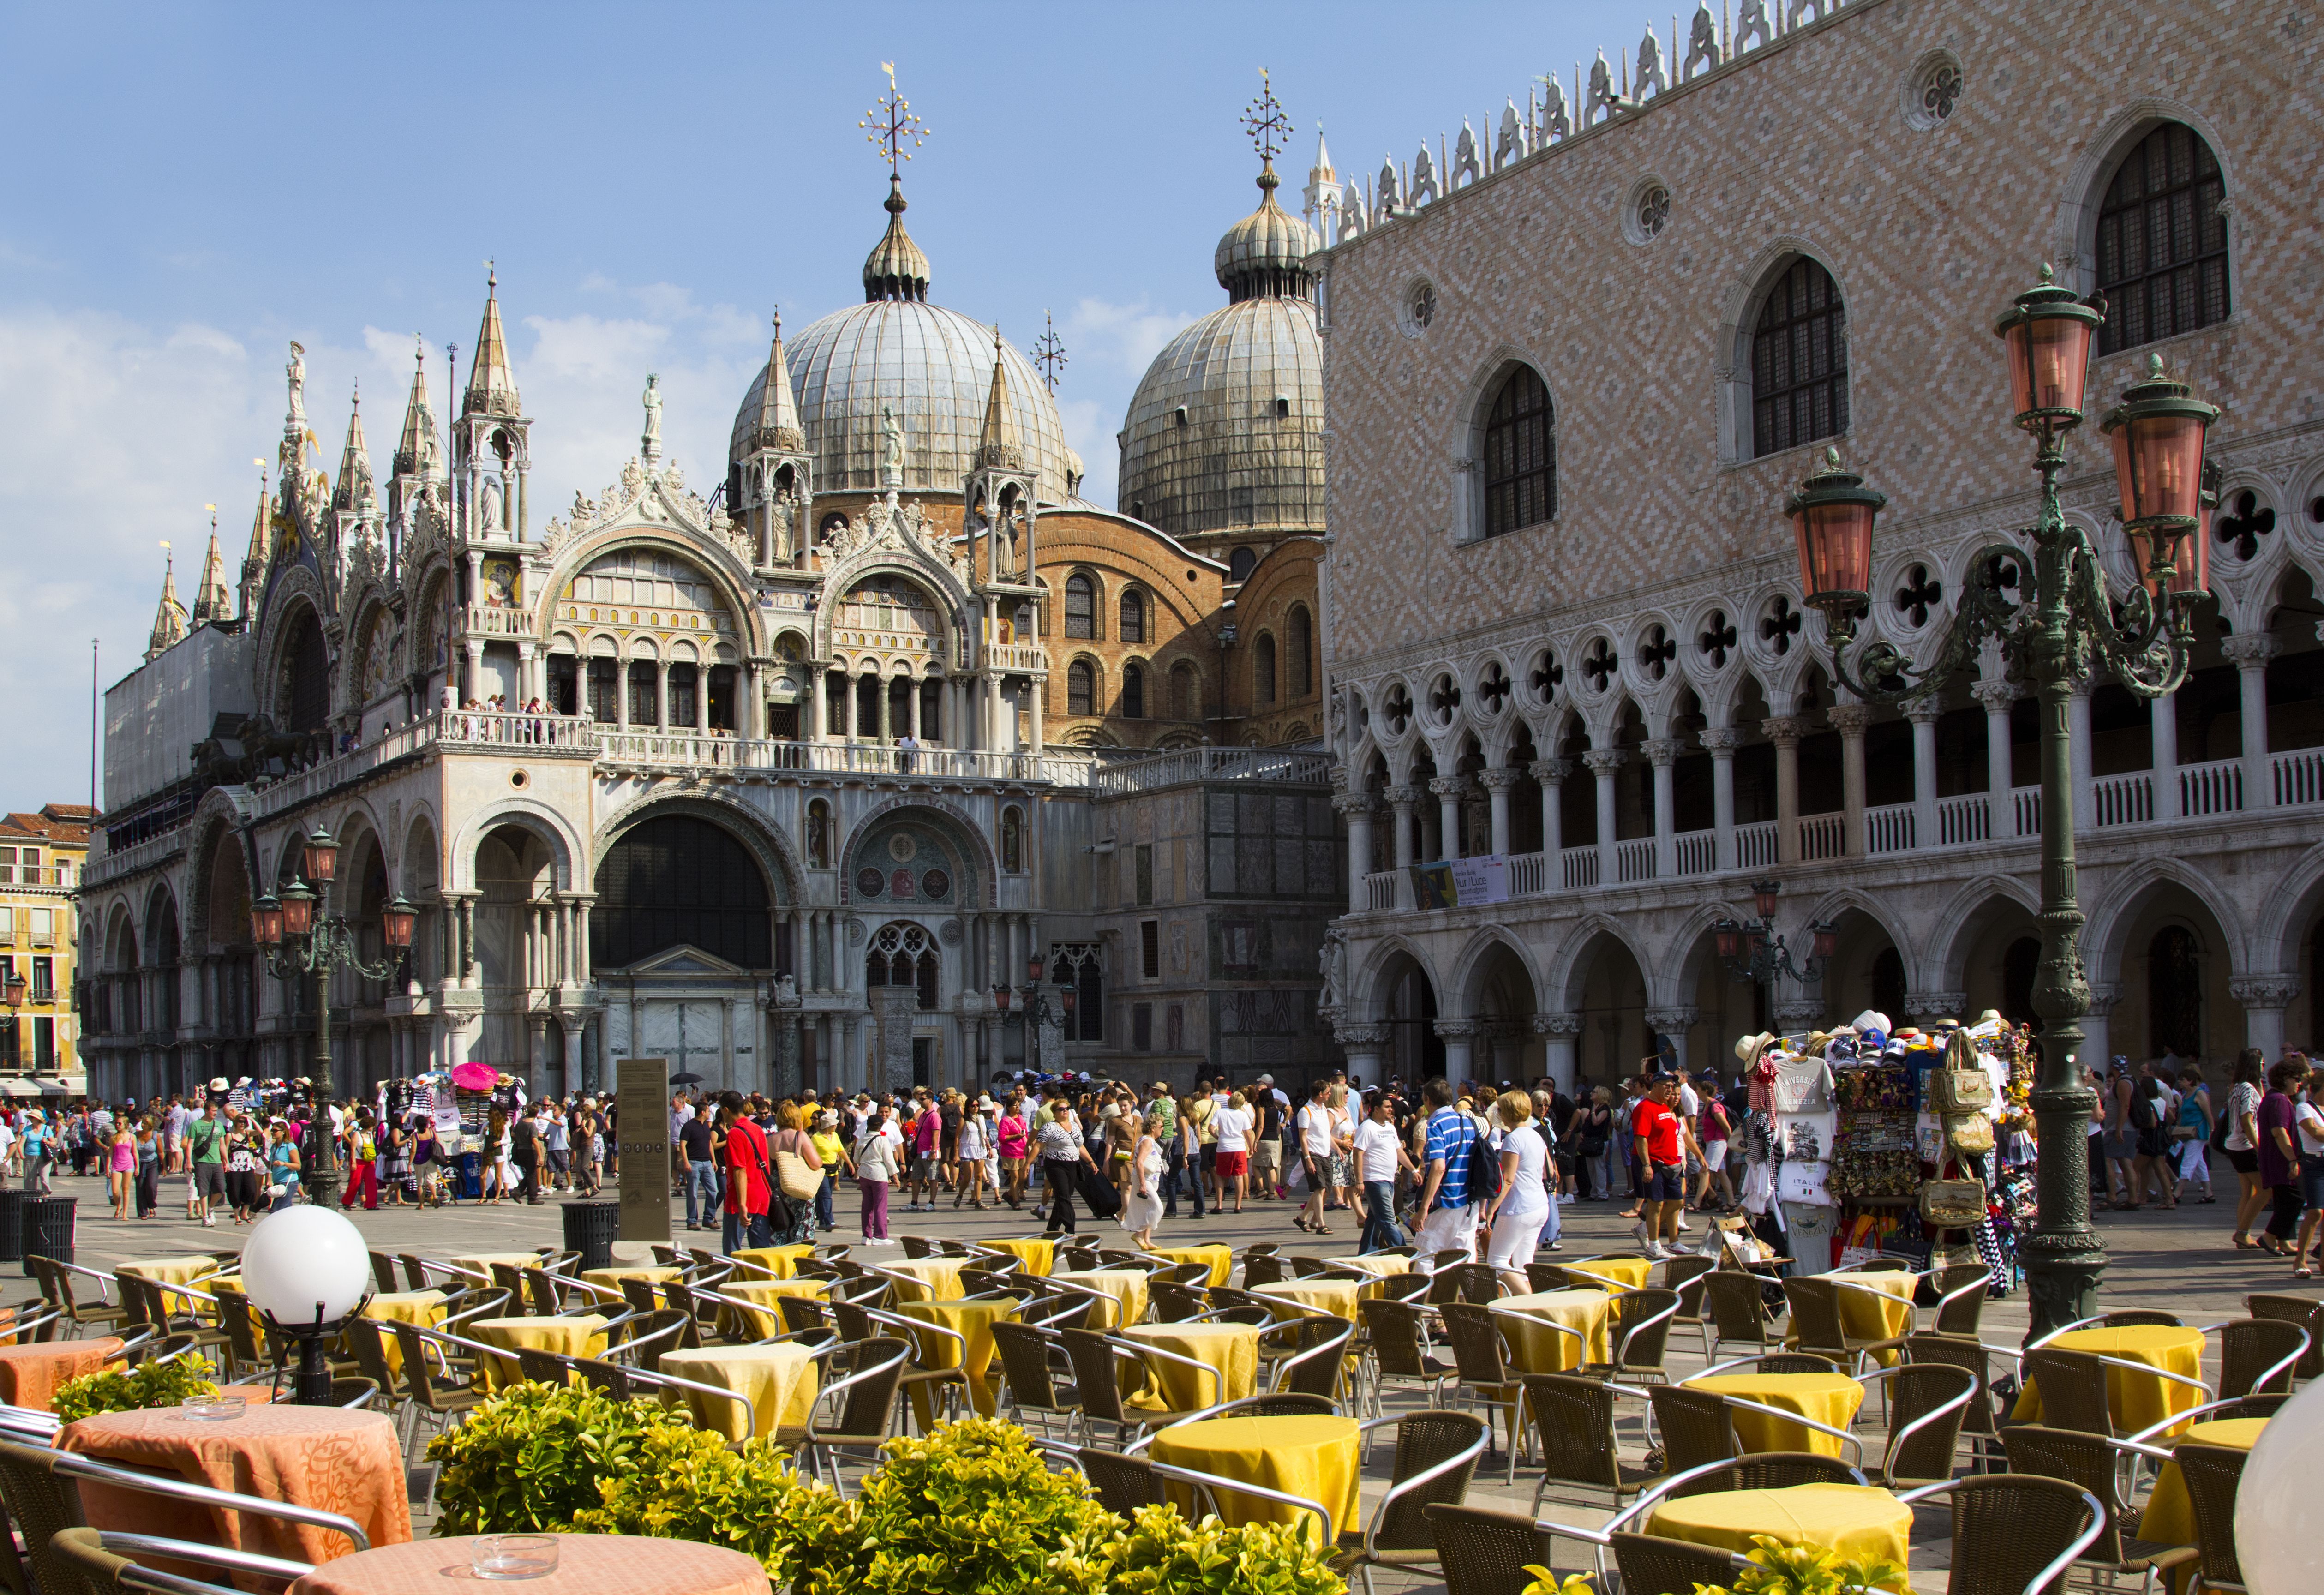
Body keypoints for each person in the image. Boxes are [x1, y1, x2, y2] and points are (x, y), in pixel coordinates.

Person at [1482, 1089, 1553, 1292]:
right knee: (1523, 1263)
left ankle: (1531, 1304)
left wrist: (1491, 1210)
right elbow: (1547, 1172)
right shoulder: (1535, 1135)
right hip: (1539, 1204)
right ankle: (1527, 1313)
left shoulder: (1513, 1139)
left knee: (1497, 1261)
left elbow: (1508, 1179)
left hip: (1519, 1207)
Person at [1413, 1078, 1483, 1267]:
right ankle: (1464, 1296)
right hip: (1469, 1201)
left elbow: (1438, 1168)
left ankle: (1422, 1296)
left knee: (1425, 1256)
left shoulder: (1436, 1126)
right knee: (1464, 1258)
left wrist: (1423, 1208)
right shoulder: (1468, 1123)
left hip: (1446, 1200)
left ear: (1428, 1100)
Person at [1632, 1074, 1694, 1260]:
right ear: (1655, 1086)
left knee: (1677, 1202)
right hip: (1654, 1163)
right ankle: (1654, 1245)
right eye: (1666, 1086)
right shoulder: (1644, 1108)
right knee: (1656, 1204)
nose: (1670, 1090)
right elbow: (1641, 1138)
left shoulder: (1664, 1107)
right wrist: (1646, 1165)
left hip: (1671, 1163)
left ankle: (1646, 1228)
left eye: (1672, 1086)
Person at [2256, 1057, 2309, 1257]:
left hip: (2275, 1159)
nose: (2299, 1083)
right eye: (2296, 1079)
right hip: (2282, 1161)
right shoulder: (2278, 1100)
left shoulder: (2273, 1098)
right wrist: (2292, 1159)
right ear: (2285, 1078)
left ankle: (2283, 1239)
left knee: (2284, 1200)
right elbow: (2279, 1131)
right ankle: (2270, 1236)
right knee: (2295, 1199)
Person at [1354, 1089, 1415, 1253]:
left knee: (1374, 1219)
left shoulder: (1390, 1127)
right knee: (1388, 1219)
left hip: (1390, 1179)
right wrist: (1359, 1181)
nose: (1391, 1110)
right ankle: (1405, 1252)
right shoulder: (1367, 1128)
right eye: (1387, 1107)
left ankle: (1366, 1253)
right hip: (1375, 1180)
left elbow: (1399, 1152)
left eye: (1391, 1107)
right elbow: (1358, 1153)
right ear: (1376, 1109)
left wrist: (1413, 1170)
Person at [719, 1091, 775, 1253]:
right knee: (761, 1250)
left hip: (741, 1198)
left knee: (732, 1249)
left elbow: (739, 1170)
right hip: (762, 1194)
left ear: (726, 1110)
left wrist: (742, 1204)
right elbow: (766, 1162)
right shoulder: (757, 1129)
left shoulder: (736, 1133)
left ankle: (734, 1278)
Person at [1039, 1086, 1098, 1235]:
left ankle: (1052, 1229)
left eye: (1067, 1108)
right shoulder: (1049, 1128)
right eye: (1061, 1109)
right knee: (1064, 1196)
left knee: (1064, 1196)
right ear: (1055, 1112)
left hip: (1073, 1165)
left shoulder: (1075, 1128)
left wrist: (1091, 1161)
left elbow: (1080, 1147)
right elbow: (1038, 1147)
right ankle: (1070, 1228)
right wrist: (1027, 1164)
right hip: (1055, 1164)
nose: (1065, 1111)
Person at [2226, 1049, 2269, 1248]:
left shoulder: (2236, 1087)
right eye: (2261, 1062)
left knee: (2247, 1192)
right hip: (2246, 1145)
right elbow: (2247, 1120)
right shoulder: (2248, 1089)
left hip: (2235, 1144)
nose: (2264, 1065)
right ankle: (2242, 1233)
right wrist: (2260, 1149)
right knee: (2265, 1191)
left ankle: (2243, 1233)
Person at [766, 1102, 822, 1245]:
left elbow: (768, 1168)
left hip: (779, 1189)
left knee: (781, 1225)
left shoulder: (770, 1140)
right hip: (799, 1186)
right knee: (800, 1226)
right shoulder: (800, 1136)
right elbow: (816, 1163)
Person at [2129, 1072, 2178, 1211]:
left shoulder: (2147, 1104)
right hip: (2161, 1138)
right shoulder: (2162, 1101)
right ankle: (2169, 1200)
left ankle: (2135, 1197)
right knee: (2160, 1170)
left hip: (2149, 1139)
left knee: (2135, 1168)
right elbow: (2172, 1118)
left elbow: (2151, 1123)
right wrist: (2164, 1126)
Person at [1294, 1080, 1337, 1235]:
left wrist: (1337, 1149)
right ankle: (1321, 1224)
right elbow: (1303, 1137)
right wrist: (1307, 1159)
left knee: (1326, 1189)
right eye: (1328, 1092)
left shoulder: (1323, 1108)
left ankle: (1303, 1217)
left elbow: (1326, 1133)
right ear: (1320, 1094)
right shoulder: (1306, 1111)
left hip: (1325, 1153)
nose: (1330, 1095)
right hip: (1313, 1154)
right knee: (1319, 1188)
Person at [2292, 1072, 2324, 1279]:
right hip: (2315, 1163)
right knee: (2316, 1212)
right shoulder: (2304, 1108)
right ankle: (2300, 1259)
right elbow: (2314, 1132)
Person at [854, 1104, 900, 1242]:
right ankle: (880, 1236)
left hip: (864, 1175)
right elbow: (889, 1160)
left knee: (867, 1206)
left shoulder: (862, 1139)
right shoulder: (882, 1139)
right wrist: (895, 1176)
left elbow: (856, 1159)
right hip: (879, 1175)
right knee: (880, 1206)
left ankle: (866, 1236)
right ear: (880, 1126)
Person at [1121, 1112, 1164, 1249]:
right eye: (1161, 1126)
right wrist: (1143, 1184)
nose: (1162, 1129)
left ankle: (1147, 1240)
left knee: (1149, 1208)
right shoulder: (1147, 1141)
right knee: (1158, 1208)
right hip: (1144, 1179)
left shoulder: (1150, 1141)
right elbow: (1139, 1163)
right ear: (1153, 1128)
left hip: (1150, 1178)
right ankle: (1139, 1235)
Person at [2174, 1065, 2215, 1204]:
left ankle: (2178, 1191)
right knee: (2199, 1163)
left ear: (2190, 1081)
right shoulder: (2186, 1095)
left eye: (2183, 1079)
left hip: (2198, 1133)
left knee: (2188, 1161)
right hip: (2188, 1133)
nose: (2180, 1081)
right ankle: (2208, 1193)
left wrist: (2212, 1131)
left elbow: (2208, 1113)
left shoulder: (2199, 1093)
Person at [1212, 1090, 1252, 1213]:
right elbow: (1248, 1133)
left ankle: (1219, 1205)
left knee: (1220, 1176)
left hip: (1224, 1147)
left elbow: (1211, 1128)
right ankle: (1238, 1206)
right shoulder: (1242, 1114)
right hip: (1239, 1147)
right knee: (1238, 1176)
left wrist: (1219, 1137)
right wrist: (1251, 1147)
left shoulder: (1220, 1112)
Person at [679, 1105, 719, 1230]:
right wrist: (686, 1162)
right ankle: (692, 1220)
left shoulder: (707, 1126)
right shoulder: (689, 1127)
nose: (709, 1113)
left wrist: (714, 1160)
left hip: (707, 1163)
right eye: (708, 1111)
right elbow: (683, 1145)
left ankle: (709, 1218)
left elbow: (709, 1144)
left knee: (714, 1191)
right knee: (693, 1193)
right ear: (703, 1112)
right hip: (694, 1163)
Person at [186, 1101, 225, 1222]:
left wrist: (226, 1161)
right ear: (207, 1111)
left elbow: (222, 1145)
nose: (215, 1113)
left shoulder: (219, 1125)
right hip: (202, 1161)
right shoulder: (196, 1125)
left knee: (221, 1189)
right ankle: (205, 1217)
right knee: (203, 1190)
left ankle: (211, 1208)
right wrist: (189, 1161)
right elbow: (190, 1145)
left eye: (216, 1111)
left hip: (217, 1161)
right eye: (213, 1111)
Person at [812, 1110, 850, 1231]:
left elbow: (841, 1151)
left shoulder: (835, 1136)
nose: (836, 1126)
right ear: (827, 1125)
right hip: (820, 1170)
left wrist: (850, 1164)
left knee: (826, 1196)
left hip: (833, 1170)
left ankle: (823, 1222)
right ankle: (830, 1221)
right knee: (826, 1196)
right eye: (834, 1124)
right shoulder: (816, 1138)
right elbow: (811, 1154)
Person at [995, 1103, 1030, 1209]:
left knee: (1023, 1176)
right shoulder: (1006, 1120)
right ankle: (1016, 1201)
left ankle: (1010, 1194)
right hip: (1011, 1151)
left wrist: (1029, 1144)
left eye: (1018, 1105)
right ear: (1009, 1108)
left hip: (1022, 1150)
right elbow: (1002, 1137)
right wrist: (1016, 1136)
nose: (1017, 1107)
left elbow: (1026, 1132)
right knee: (1015, 1177)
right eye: (1014, 1105)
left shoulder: (1020, 1118)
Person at [265, 1121, 302, 1212]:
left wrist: (284, 1164)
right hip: (278, 1182)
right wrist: (261, 1156)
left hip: (289, 1183)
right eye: (272, 1130)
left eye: (275, 1130)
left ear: (283, 1132)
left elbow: (298, 1166)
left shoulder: (290, 1146)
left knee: (276, 1211)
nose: (273, 1133)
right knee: (286, 1211)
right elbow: (272, 1167)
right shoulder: (274, 1147)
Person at [107, 1115, 136, 1221]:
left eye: (120, 1123)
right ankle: (119, 1206)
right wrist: (108, 1167)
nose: (117, 1125)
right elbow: (111, 1153)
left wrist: (137, 1167)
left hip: (128, 1164)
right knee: (115, 1191)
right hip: (116, 1165)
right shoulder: (113, 1138)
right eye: (116, 1123)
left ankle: (125, 1214)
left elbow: (135, 1153)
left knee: (126, 1190)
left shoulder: (132, 1137)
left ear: (126, 1125)